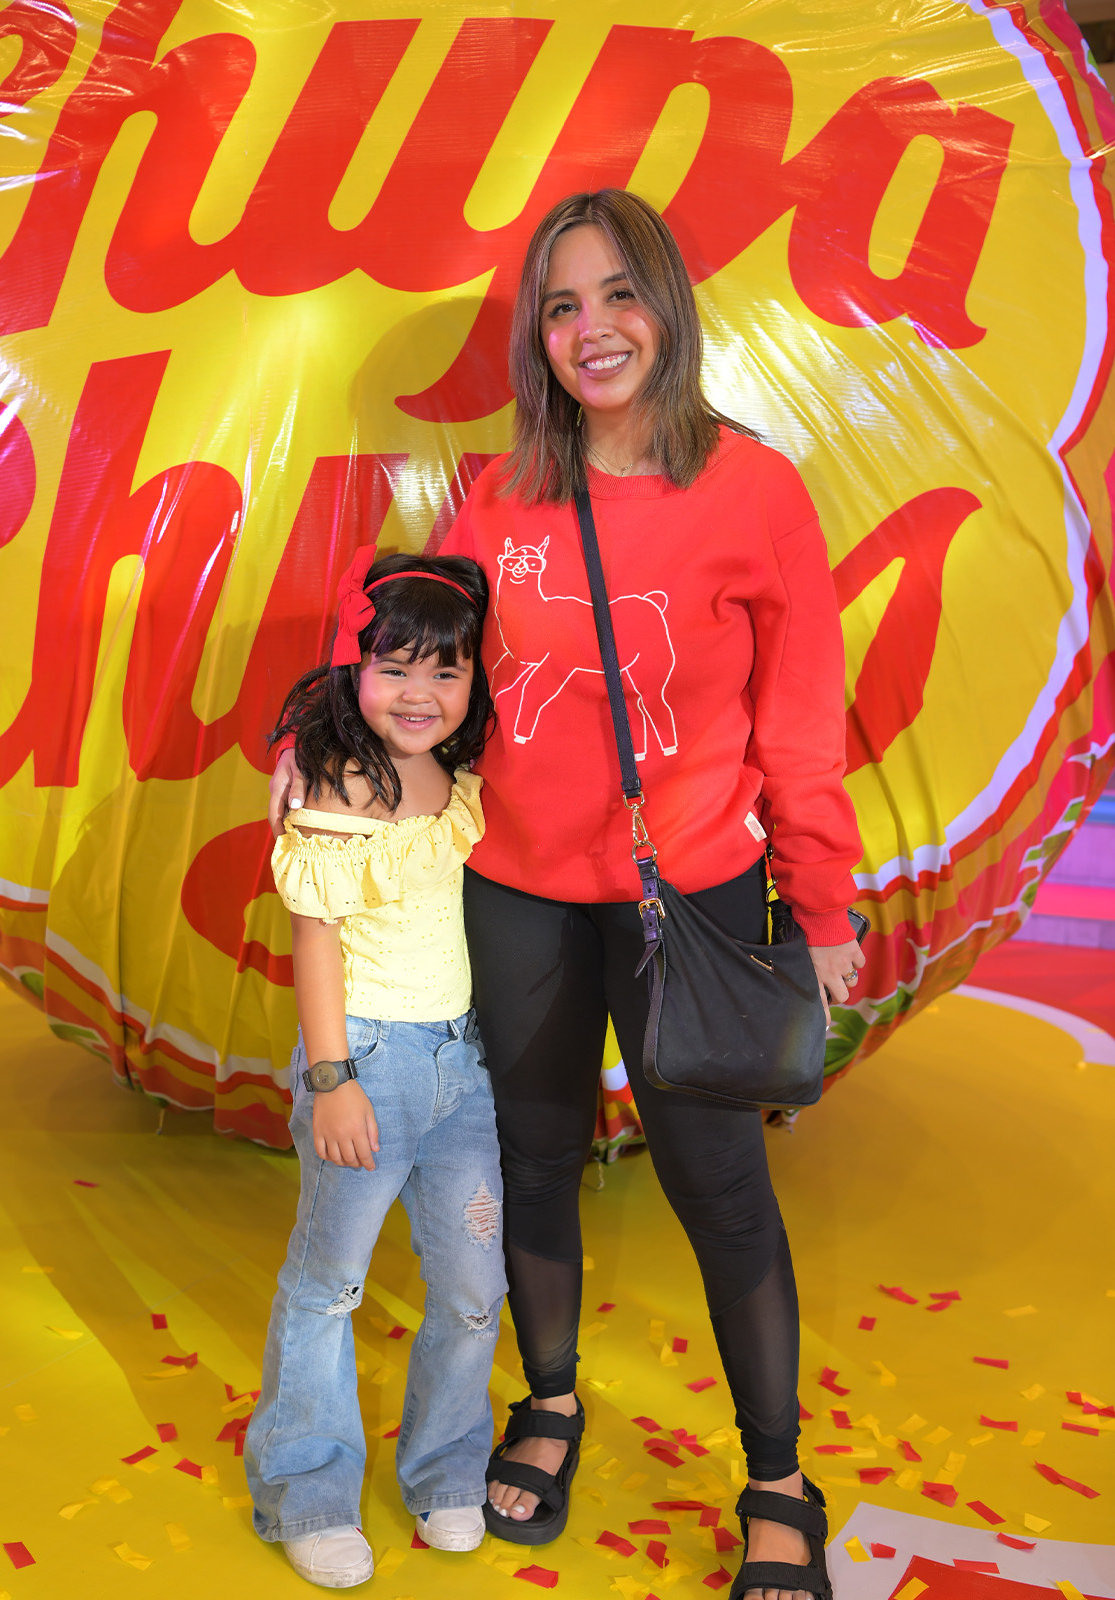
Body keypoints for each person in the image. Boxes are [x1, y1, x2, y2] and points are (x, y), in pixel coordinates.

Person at [270, 190, 864, 1600]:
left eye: (616, 294)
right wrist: (323, 743)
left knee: (720, 1190)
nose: (591, 329)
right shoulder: (501, 494)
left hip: (689, 900)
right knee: (533, 1162)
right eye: (559, 305)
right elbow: (421, 669)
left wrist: (820, 901)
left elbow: (799, 719)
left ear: (666, 305)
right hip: (516, 894)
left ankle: (776, 1478)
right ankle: (547, 1401)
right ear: (536, 336)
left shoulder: (754, 490)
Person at [246, 550, 507, 1590]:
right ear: (354, 668)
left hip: (460, 1067)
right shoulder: (339, 779)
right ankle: (307, 1491)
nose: (418, 691)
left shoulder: (455, 769)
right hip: (366, 1061)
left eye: (445, 670)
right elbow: (314, 936)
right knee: (328, 1287)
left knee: (473, 1284)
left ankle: (447, 1471)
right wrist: (332, 1077)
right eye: (394, 667)